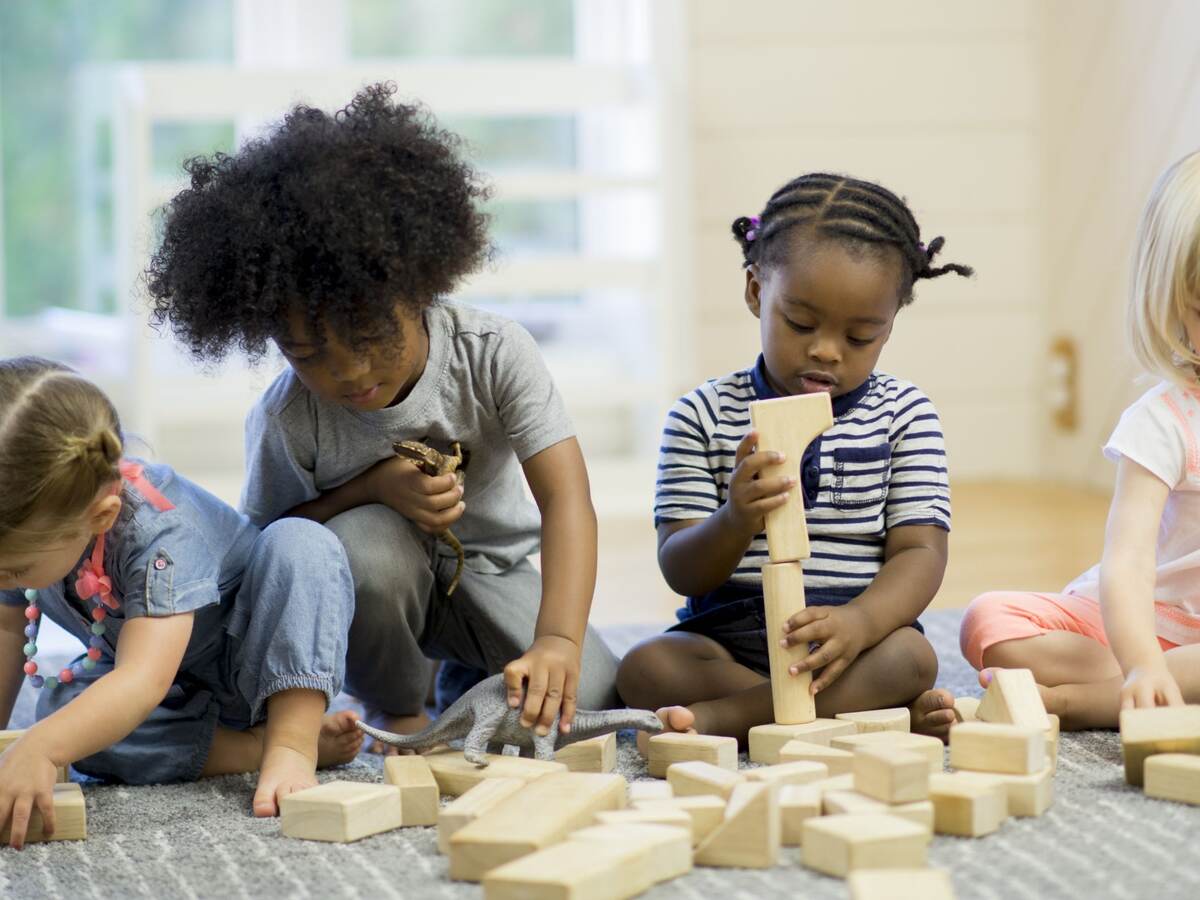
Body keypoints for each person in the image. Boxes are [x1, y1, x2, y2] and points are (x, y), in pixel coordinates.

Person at [144, 82, 620, 749]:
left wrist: (560, 640)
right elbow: (271, 550)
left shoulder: (493, 353)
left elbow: (568, 498)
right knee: (365, 543)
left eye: (366, 335)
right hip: (378, 588)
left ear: (419, 284)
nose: (348, 371)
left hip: (491, 571)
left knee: (591, 701)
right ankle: (400, 703)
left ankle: (467, 677)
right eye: (308, 353)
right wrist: (370, 489)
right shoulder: (290, 415)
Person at [617, 172, 972, 743]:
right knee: (645, 667)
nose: (826, 350)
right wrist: (735, 519)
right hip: (727, 642)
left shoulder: (905, 413)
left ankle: (732, 720)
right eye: (801, 323)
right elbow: (680, 567)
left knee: (911, 657)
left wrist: (861, 622)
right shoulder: (700, 415)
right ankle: (847, 715)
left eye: (861, 337)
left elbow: (921, 553)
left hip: (850, 644)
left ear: (890, 324)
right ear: (757, 291)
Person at [0, 357, 359, 847]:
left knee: (302, 544)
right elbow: (6, 630)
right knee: (63, 710)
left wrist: (40, 750)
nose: (6, 579)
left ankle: (292, 741)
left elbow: (141, 679)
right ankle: (248, 750)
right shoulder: (25, 531)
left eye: (13, 572)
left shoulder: (158, 533)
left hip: (252, 663)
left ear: (100, 515)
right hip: (168, 696)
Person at [960, 151, 1200, 728]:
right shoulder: (1165, 420)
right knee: (985, 621)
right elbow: (1128, 560)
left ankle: (1074, 703)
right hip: (1136, 623)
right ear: (1172, 305)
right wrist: (1142, 662)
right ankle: (1143, 688)